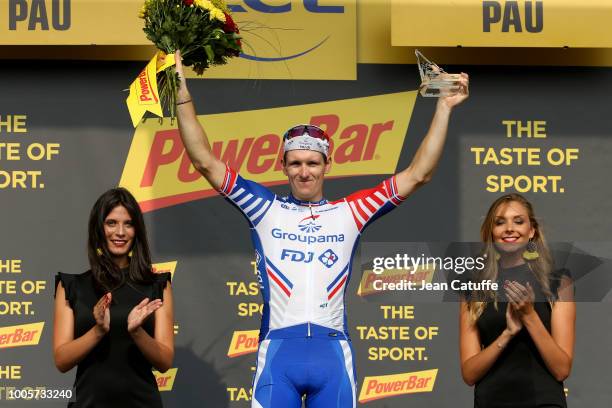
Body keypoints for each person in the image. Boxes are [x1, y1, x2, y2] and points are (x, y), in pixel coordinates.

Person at [174, 50, 469, 408]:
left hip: (333, 353)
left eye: (313, 162)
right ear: (282, 166)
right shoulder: (264, 208)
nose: (304, 171)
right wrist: (181, 92)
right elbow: (204, 160)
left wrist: (444, 108)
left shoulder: (350, 212)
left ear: (328, 164)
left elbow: (418, 174)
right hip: (279, 352)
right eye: (295, 163)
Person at [53, 188, 174, 408]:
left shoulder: (158, 285)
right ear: (98, 228)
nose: (120, 232)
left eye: (128, 224)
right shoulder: (71, 286)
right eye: (111, 223)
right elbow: (61, 360)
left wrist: (137, 332)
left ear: (136, 230)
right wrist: (98, 331)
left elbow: (165, 361)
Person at [459, 193, 575, 408]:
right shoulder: (474, 288)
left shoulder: (558, 282)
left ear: (532, 231)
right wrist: (507, 334)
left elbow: (561, 370)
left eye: (518, 221)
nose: (509, 228)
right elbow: (469, 374)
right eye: (500, 222)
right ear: (491, 233)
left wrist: (530, 316)